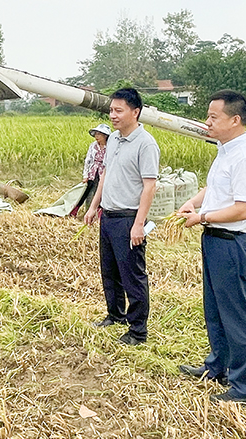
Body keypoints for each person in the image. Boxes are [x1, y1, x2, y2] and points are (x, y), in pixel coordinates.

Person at [176, 90, 246, 405]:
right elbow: (214, 187)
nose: (208, 122)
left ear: (235, 119)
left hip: (234, 244)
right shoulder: (225, 151)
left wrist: (202, 217)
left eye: (214, 117)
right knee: (215, 310)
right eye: (208, 116)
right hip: (215, 240)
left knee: (237, 317)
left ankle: (244, 389)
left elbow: (243, 209)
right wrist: (193, 202)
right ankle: (218, 366)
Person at [85, 88, 159, 346]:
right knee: (110, 271)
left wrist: (139, 224)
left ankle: (137, 331)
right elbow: (105, 174)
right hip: (108, 215)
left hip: (129, 218)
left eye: (119, 110)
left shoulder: (146, 144)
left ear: (135, 112)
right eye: (111, 110)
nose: (113, 115)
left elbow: (150, 186)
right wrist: (94, 206)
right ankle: (115, 314)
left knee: (132, 276)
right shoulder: (114, 139)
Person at [69, 123, 110, 217]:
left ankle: (99, 212)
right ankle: (75, 209)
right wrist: (85, 175)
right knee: (86, 191)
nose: (96, 136)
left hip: (104, 172)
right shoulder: (93, 146)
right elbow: (88, 160)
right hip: (93, 171)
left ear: (105, 136)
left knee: (102, 192)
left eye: (99, 134)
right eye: (96, 134)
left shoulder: (110, 147)